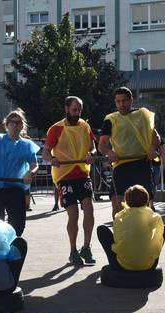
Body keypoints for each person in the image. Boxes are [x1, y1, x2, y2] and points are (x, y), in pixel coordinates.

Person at [43, 96, 97, 266]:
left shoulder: (85, 126)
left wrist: (92, 154)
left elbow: (92, 147)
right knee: (73, 214)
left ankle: (86, 247)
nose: (77, 113)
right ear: (66, 109)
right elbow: (45, 152)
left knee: (89, 208)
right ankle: (73, 250)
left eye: (79, 110)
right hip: (64, 176)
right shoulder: (56, 128)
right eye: (74, 110)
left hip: (82, 173)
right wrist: (51, 159)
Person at [98, 87, 161, 218]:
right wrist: (109, 152)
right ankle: (119, 235)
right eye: (118, 101)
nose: (121, 104)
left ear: (131, 100)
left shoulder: (143, 115)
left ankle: (147, 235)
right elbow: (102, 145)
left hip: (141, 164)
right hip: (121, 166)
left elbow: (156, 137)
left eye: (124, 101)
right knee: (117, 207)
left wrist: (152, 148)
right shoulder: (110, 120)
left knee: (144, 208)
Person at [0, 109, 39, 236]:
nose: (15, 125)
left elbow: (34, 165)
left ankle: (11, 245)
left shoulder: (27, 144)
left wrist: (30, 173)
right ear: (6, 124)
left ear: (22, 126)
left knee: (18, 224)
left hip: (15, 187)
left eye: (18, 122)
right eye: (12, 122)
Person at [96, 185, 165, 271]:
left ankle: (119, 262)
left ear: (126, 201)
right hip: (148, 265)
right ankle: (147, 257)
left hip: (122, 264)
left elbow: (117, 238)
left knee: (101, 230)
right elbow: (158, 239)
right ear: (147, 200)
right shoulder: (155, 216)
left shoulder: (119, 216)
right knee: (163, 229)